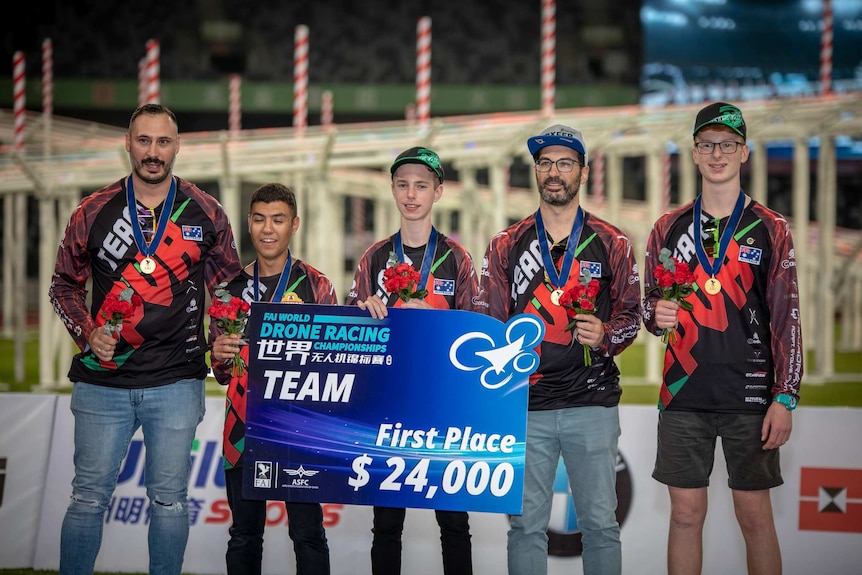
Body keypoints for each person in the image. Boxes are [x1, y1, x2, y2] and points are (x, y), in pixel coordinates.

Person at [48, 103, 242, 575]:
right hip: (102, 384)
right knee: (87, 499)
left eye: (163, 142)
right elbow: (62, 286)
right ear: (128, 143)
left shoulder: (206, 211)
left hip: (175, 381)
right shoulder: (92, 211)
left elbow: (228, 290)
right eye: (143, 140)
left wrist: (223, 351)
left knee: (171, 503)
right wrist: (88, 333)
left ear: (176, 146)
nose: (152, 152)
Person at [642, 102, 803, 575]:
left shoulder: (772, 228)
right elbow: (649, 308)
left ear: (744, 152)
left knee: (754, 517)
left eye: (727, 145)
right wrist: (656, 312)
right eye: (708, 145)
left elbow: (785, 315)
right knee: (686, 516)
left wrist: (786, 396)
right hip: (683, 390)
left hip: (750, 395)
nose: (718, 154)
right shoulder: (666, 228)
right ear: (694, 153)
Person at [478, 125, 642, 575]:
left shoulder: (614, 242)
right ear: (535, 172)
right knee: (525, 527)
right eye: (545, 163)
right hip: (525, 406)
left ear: (583, 173)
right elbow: (488, 323)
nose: (554, 172)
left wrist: (606, 335)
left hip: (593, 403)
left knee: (601, 526)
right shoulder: (504, 244)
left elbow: (634, 316)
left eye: (565, 163)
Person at [345, 146, 478, 575]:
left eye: (421, 185)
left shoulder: (458, 258)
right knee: (386, 525)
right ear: (392, 190)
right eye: (402, 185)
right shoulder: (374, 258)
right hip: (389, 405)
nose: (411, 194)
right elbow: (349, 334)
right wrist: (363, 313)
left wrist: (436, 317)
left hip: (443, 406)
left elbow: (476, 334)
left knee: (454, 524)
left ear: (438, 191)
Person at [209, 182, 335, 575]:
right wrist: (218, 354)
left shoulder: (318, 286)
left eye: (278, 219)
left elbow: (335, 364)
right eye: (260, 219)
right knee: (244, 535)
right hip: (242, 428)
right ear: (249, 223)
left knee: (308, 534)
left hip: (300, 431)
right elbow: (220, 373)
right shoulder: (228, 290)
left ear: (293, 224)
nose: (268, 228)